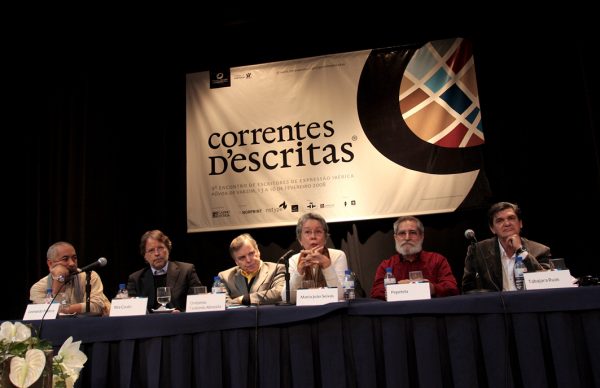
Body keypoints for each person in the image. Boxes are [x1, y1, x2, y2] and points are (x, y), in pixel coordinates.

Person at [462, 202, 550, 293]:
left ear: (520, 223)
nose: (507, 223)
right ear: (492, 229)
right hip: (494, 305)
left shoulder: (540, 250)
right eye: (500, 220)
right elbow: (468, 289)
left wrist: (520, 250)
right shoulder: (478, 251)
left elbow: (547, 282)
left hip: (529, 304)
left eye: (511, 218)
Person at [371, 216, 459, 300]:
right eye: (402, 233)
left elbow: (452, 288)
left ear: (421, 236)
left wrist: (431, 288)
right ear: (395, 238)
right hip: (399, 314)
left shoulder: (437, 260)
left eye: (412, 232)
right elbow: (376, 293)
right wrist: (398, 288)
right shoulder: (386, 265)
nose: (407, 238)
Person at [127, 229, 203, 312]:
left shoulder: (186, 271)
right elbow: (132, 310)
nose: (157, 254)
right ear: (145, 256)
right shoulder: (135, 279)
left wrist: (182, 314)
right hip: (149, 323)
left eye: (160, 248)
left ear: (168, 250)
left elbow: (199, 303)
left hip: (180, 322)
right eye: (151, 250)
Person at [30, 241, 111, 316]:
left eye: (74, 258)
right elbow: (42, 313)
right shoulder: (38, 288)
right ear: (50, 263)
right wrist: (59, 280)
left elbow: (96, 307)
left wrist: (64, 309)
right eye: (65, 259)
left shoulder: (89, 276)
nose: (72, 263)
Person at [282, 212, 349, 303]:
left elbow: (341, 296)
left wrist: (327, 266)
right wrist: (299, 273)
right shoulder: (294, 260)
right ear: (300, 240)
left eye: (318, 232)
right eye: (307, 232)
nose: (313, 237)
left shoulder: (338, 256)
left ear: (325, 238)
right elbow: (287, 299)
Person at [218, 233, 285, 305]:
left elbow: (279, 293)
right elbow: (221, 303)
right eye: (242, 257)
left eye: (251, 253)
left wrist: (243, 299)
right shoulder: (224, 277)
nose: (248, 260)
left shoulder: (277, 269)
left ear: (258, 251)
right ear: (236, 262)